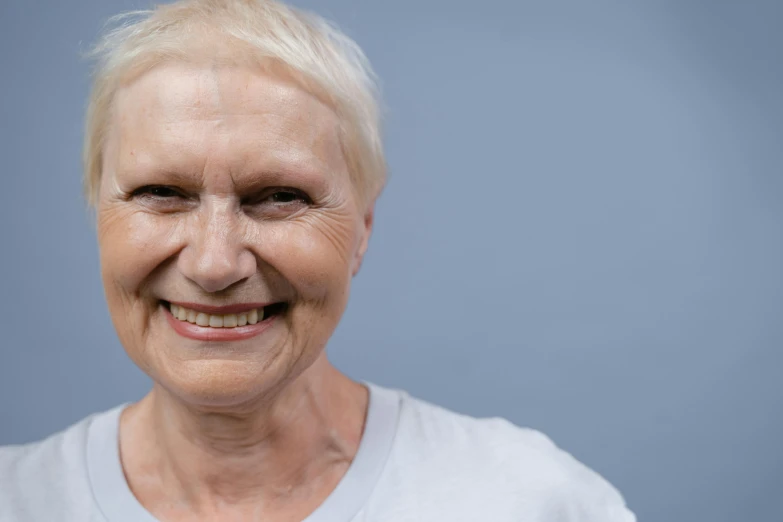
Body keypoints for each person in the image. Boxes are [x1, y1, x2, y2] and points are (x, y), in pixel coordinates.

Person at [0, 1, 635, 520]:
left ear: (362, 229)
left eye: (280, 196)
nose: (215, 263)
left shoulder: (525, 501)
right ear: (97, 212)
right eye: (161, 194)